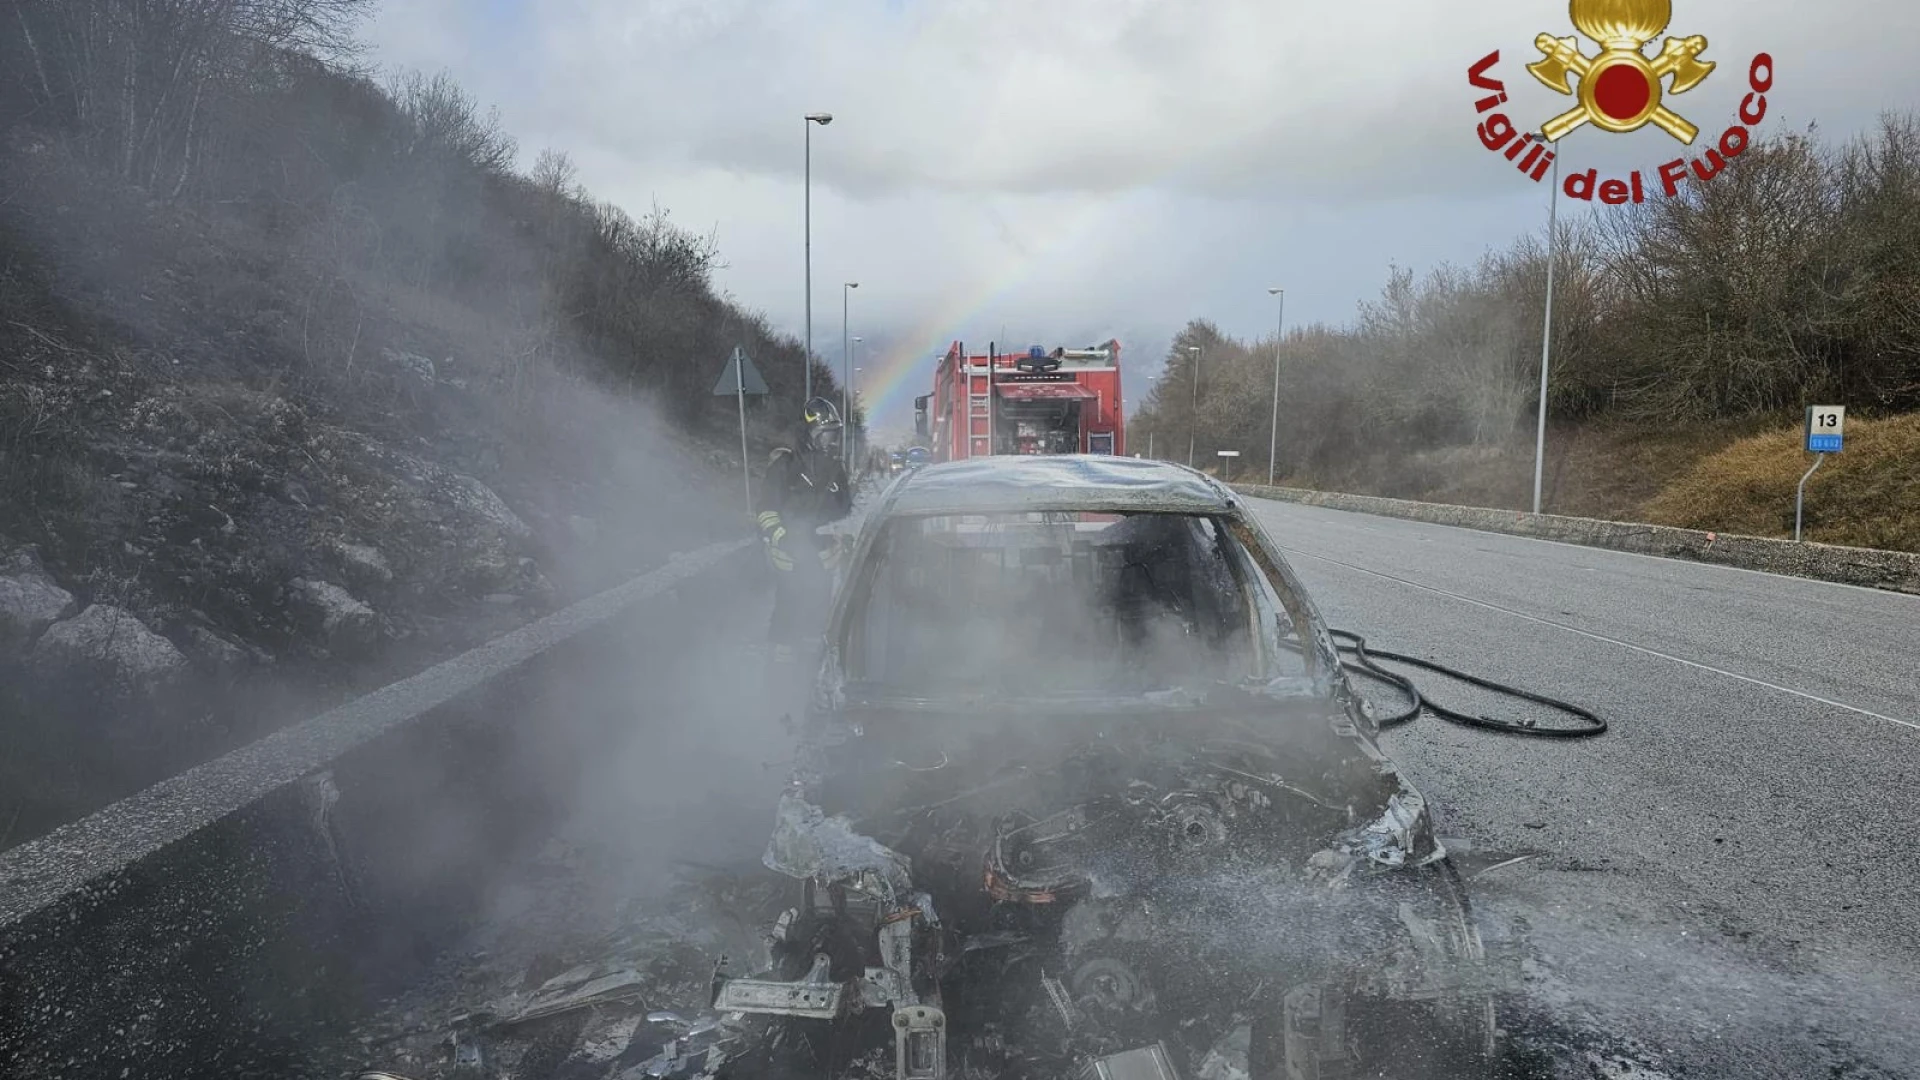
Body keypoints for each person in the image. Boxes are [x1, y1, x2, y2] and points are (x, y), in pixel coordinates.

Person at [757, 397, 855, 674]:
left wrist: (841, 542)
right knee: (786, 629)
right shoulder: (785, 468)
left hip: (824, 566)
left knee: (818, 629)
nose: (831, 441)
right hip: (789, 563)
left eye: (834, 435)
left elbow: (846, 514)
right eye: (826, 435)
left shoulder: (837, 472)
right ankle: (777, 689)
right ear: (811, 434)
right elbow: (765, 510)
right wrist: (780, 540)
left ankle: (812, 683)